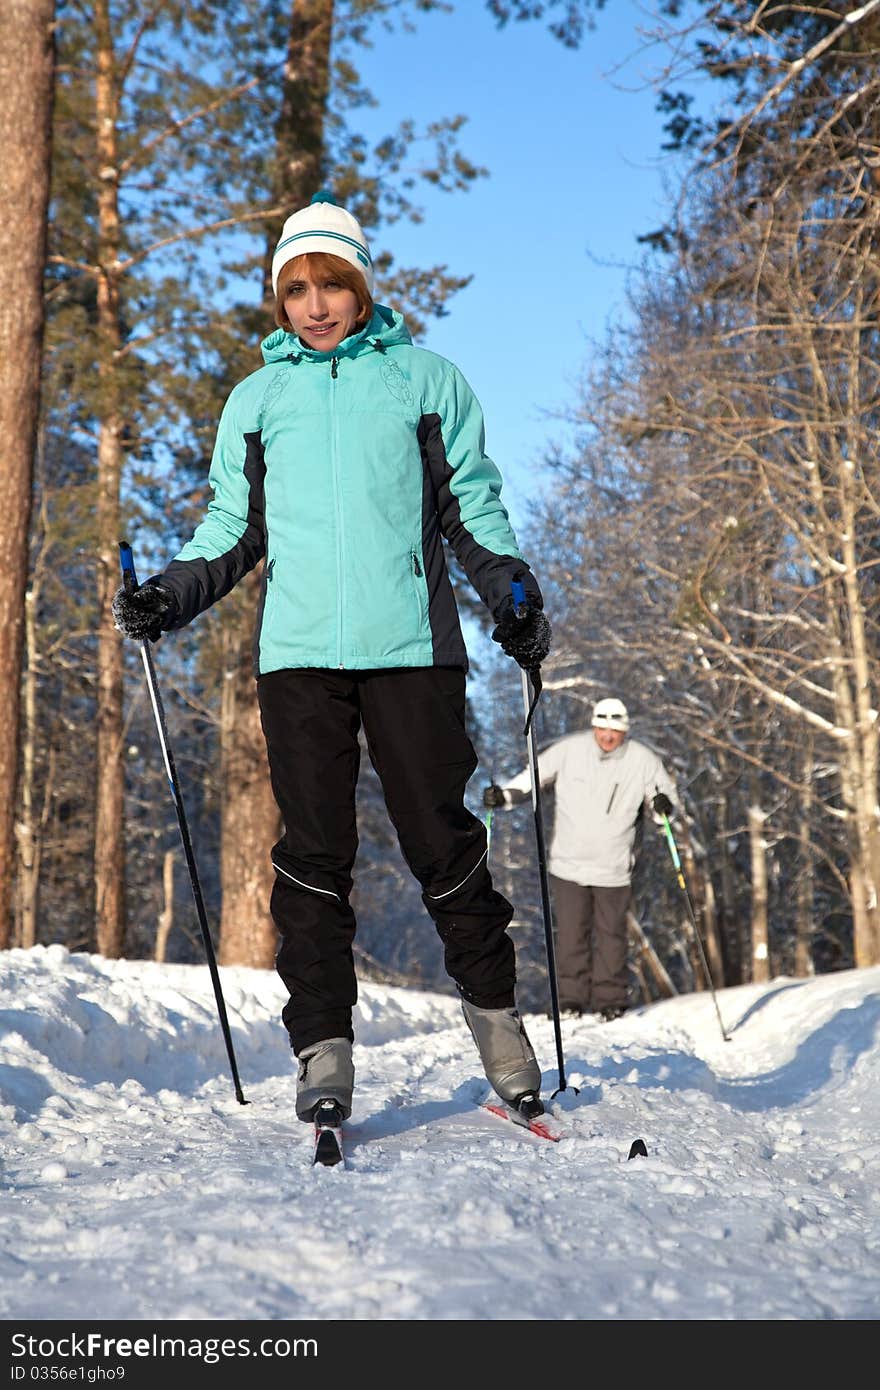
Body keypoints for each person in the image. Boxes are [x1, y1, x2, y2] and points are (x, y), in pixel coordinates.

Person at [112, 193, 552, 1124]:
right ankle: (322, 1050)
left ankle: (498, 1022)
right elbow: (233, 528)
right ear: (280, 297)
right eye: (298, 288)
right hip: (300, 658)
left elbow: (470, 504)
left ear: (361, 288)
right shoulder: (258, 401)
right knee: (313, 857)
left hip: (412, 653)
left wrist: (510, 589)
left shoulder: (426, 381)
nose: (315, 305)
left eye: (332, 285)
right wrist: (170, 592)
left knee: (443, 842)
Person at [483, 696, 676, 1021]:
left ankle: (611, 1000)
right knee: (572, 934)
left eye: (615, 730)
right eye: (603, 728)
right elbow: (533, 777)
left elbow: (665, 802)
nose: (608, 736)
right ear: (594, 726)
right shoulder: (569, 751)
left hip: (614, 869)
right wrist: (503, 796)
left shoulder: (643, 760)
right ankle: (570, 1001)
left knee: (611, 936)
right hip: (568, 865)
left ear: (624, 731)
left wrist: (663, 807)